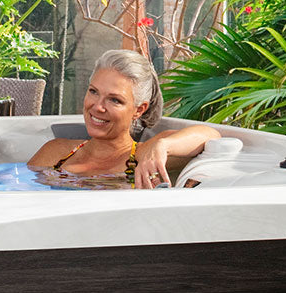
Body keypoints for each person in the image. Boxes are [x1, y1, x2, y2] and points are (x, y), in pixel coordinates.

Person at [25, 49, 221, 189]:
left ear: (139, 109)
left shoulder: (146, 156)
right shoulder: (56, 151)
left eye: (115, 100)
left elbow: (211, 136)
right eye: (93, 92)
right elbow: (15, 195)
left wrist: (162, 145)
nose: (98, 106)